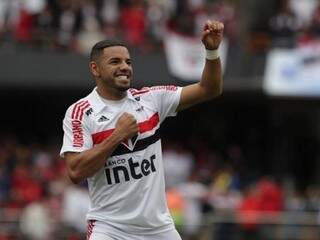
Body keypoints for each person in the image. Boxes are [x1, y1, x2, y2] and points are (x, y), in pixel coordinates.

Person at [60, 19, 224, 240]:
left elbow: (209, 89)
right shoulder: (80, 112)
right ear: (95, 68)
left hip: (158, 229)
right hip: (110, 229)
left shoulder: (151, 100)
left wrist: (212, 51)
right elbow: (75, 171)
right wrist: (117, 136)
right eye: (115, 61)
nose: (125, 67)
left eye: (128, 61)